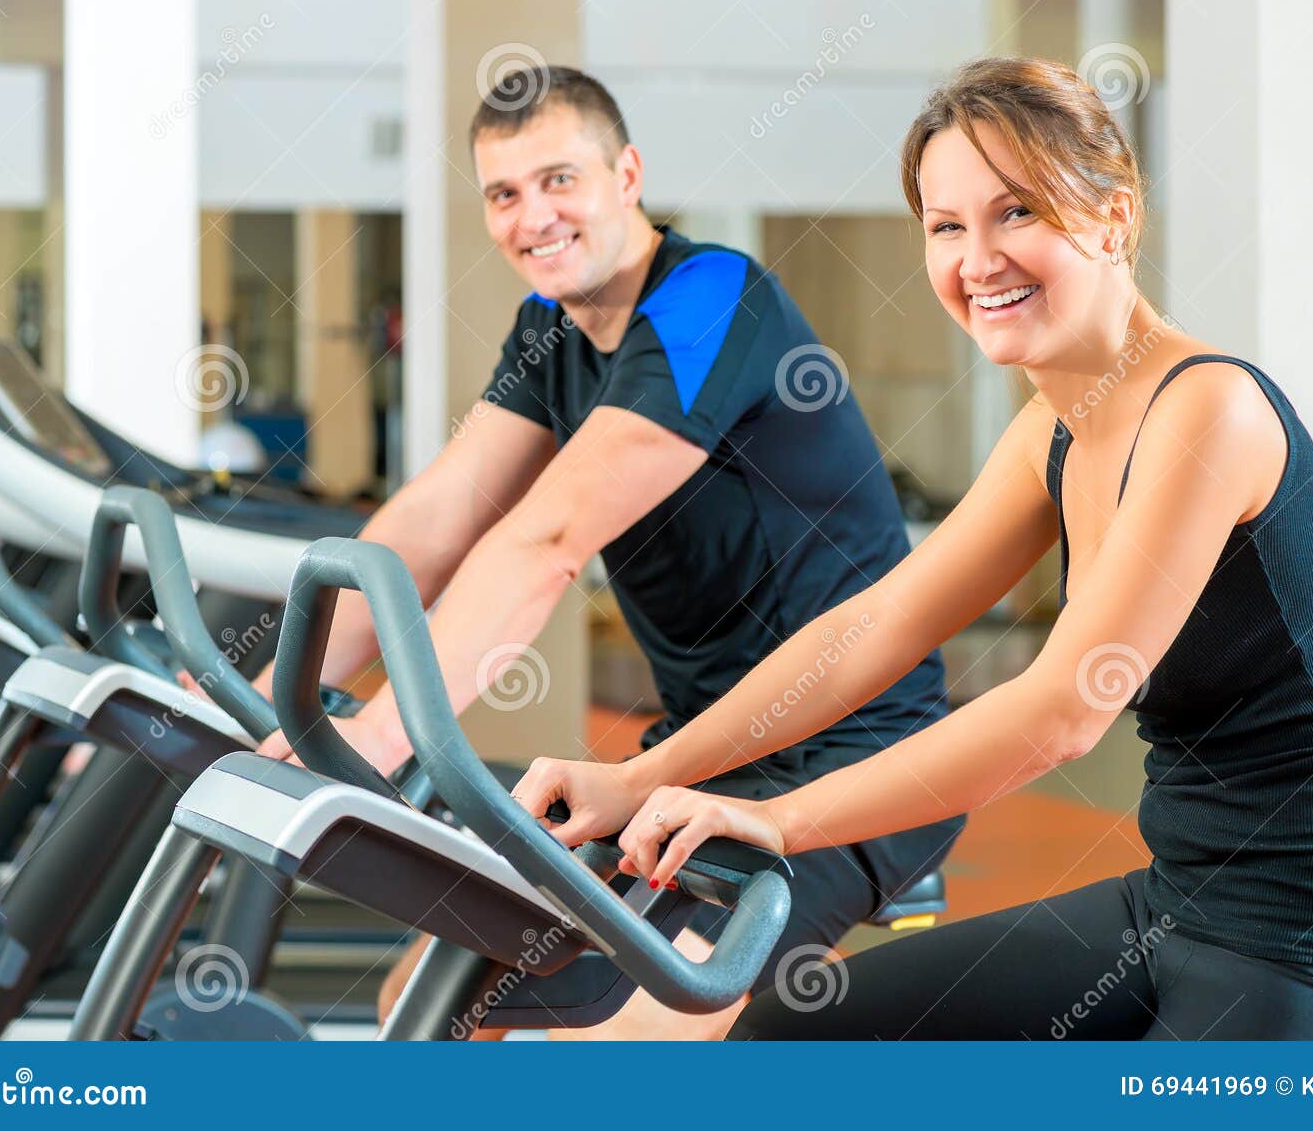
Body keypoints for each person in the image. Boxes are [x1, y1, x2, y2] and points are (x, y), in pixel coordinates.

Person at [514, 56, 1313, 1041]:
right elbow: (879, 624)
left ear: (1114, 216)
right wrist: (646, 779)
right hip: (1178, 908)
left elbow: (1062, 715)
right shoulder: (1055, 426)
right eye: (946, 227)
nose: (978, 258)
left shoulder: (1207, 412)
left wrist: (782, 821)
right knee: (788, 1036)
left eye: (1017, 213)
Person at [241, 66, 962, 1038]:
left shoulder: (713, 295)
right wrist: (264, 694)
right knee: (434, 1000)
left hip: (854, 754)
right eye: (503, 193)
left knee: (619, 1041)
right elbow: (435, 521)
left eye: (558, 180)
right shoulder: (549, 328)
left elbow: (546, 543)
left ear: (626, 174)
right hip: (703, 756)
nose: (532, 216)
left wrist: (375, 738)